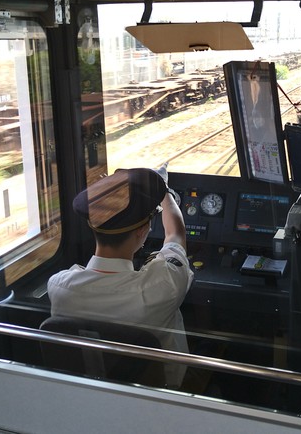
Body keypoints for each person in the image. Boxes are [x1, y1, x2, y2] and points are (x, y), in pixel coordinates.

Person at [47, 165, 194, 388]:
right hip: (163, 401)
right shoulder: (163, 286)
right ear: (142, 230)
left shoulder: (59, 286)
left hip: (93, 397)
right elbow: (175, 236)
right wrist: (164, 193)